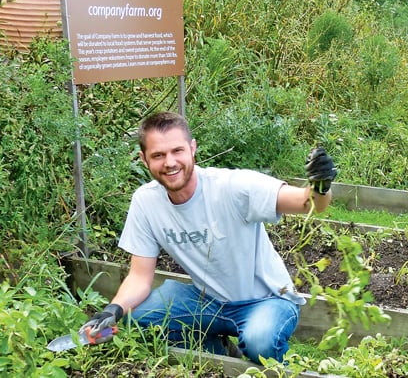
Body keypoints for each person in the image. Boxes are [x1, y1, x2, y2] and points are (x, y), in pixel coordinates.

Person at [78, 111, 337, 362]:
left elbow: (308, 203)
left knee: (261, 343)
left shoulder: (232, 187)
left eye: (177, 151)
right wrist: (112, 310)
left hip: (266, 300)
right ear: (144, 160)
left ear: (192, 148)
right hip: (208, 301)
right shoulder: (146, 202)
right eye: (158, 155)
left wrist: (320, 186)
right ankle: (222, 354)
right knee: (137, 320)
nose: (169, 162)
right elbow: (139, 276)